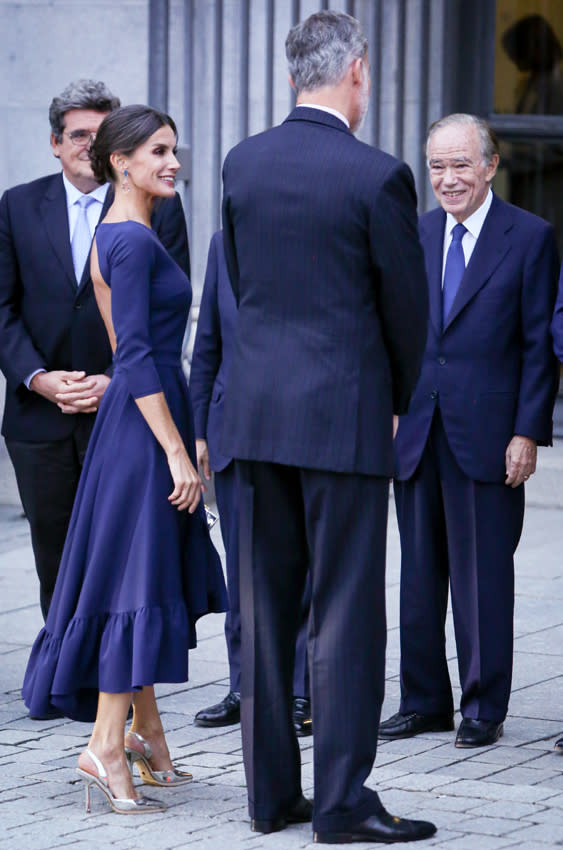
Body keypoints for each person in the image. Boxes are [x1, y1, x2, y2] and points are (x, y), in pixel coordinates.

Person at [221, 10, 435, 845]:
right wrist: (396, 396)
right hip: (341, 415)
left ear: (290, 75)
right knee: (345, 611)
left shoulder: (243, 163)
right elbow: (407, 313)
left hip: (256, 412)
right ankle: (341, 803)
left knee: (267, 608)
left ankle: (271, 797)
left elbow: (240, 285)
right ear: (358, 70)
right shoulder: (376, 175)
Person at [21, 104, 227, 814]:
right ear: (121, 161)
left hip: (131, 418)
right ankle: (105, 744)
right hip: (145, 431)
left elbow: (123, 350)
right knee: (132, 585)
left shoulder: (113, 232)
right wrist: (176, 451)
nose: (174, 162)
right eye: (159, 151)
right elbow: (136, 354)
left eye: (175, 149)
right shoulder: (134, 242)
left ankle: (147, 737)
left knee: (129, 576)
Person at [379, 113, 559, 750]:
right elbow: (395, 330)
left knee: (483, 578)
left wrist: (528, 432)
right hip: (418, 429)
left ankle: (483, 706)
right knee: (419, 576)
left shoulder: (530, 237)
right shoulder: (414, 233)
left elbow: (540, 345)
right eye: (436, 165)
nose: (448, 178)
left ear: (490, 165)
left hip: (488, 433)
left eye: (460, 164)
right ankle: (423, 701)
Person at [0, 79, 190, 623]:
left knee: (126, 554)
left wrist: (116, 379)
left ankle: (118, 679)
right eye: (78, 134)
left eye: (99, 133)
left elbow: (162, 314)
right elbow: (2, 308)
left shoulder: (156, 207)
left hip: (125, 405)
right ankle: (68, 675)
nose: (89, 144)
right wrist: (38, 377)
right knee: (55, 553)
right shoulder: (17, 205)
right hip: (41, 416)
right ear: (55, 143)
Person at [190, 230, 312, 735]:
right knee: (241, 564)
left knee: (301, 562)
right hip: (233, 430)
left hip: (300, 428)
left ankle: (302, 688)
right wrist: (199, 430)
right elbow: (208, 345)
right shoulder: (225, 244)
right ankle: (245, 685)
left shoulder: (316, 240)